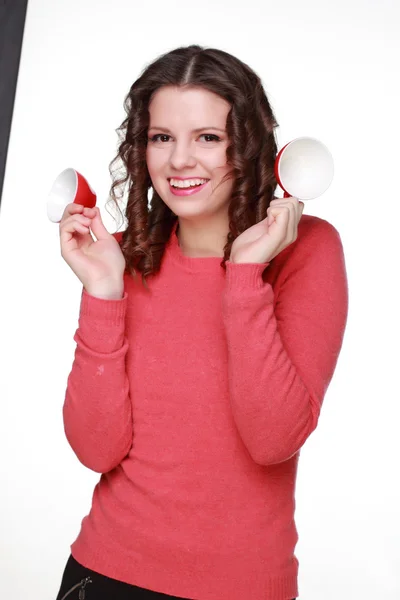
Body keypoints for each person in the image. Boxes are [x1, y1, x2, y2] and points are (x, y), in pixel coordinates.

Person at [55, 45, 348, 600]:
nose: (179, 160)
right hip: (104, 573)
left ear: (250, 146)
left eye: (207, 138)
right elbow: (96, 449)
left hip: (240, 587)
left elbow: (273, 439)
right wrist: (103, 293)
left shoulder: (308, 250)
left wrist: (243, 275)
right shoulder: (119, 257)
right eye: (161, 137)